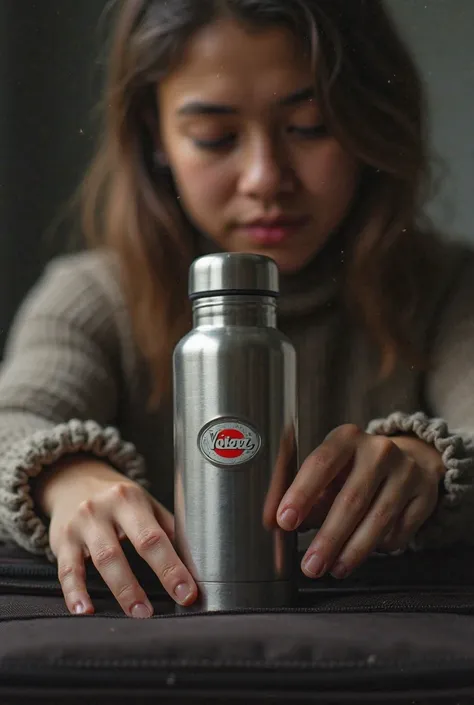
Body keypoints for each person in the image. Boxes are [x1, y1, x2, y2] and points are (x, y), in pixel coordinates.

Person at [0, 0, 473, 620]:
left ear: (371, 120)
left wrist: (433, 463)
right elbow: (16, 418)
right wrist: (62, 479)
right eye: (215, 137)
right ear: (156, 136)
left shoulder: (448, 289)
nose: (265, 178)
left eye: (309, 126)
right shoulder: (93, 297)